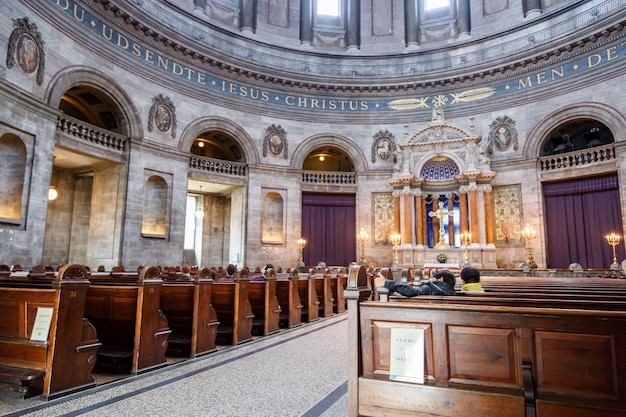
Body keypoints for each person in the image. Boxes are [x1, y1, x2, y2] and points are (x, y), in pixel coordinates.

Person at [383, 269, 456, 297]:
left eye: (435, 278)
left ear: (441, 279)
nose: (433, 280)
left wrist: (387, 283)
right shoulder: (452, 291)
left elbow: (411, 291)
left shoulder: (431, 287)